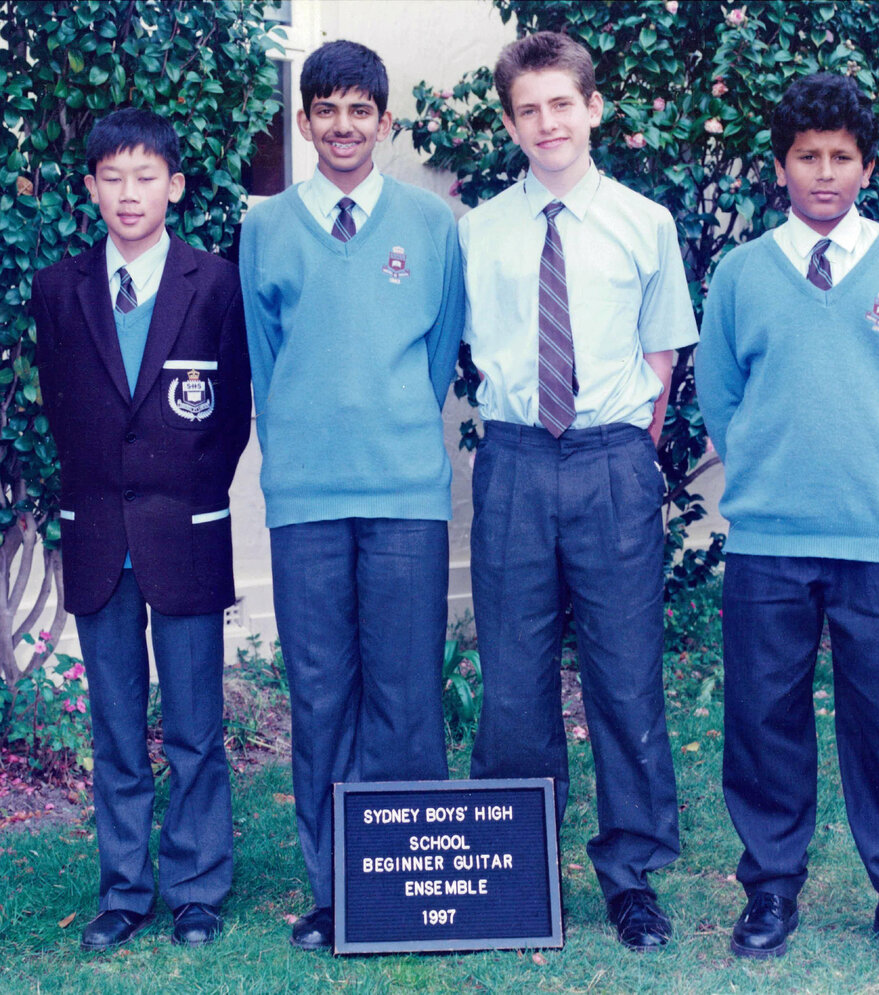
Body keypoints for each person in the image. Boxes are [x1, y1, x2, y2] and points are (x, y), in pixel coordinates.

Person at [695, 72, 879, 967]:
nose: (826, 173)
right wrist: (770, 471)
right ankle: (770, 887)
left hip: (875, 538)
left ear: (868, 167)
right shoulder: (740, 274)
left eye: (843, 157)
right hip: (769, 540)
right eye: (809, 157)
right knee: (764, 719)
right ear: (781, 166)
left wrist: (874, 471)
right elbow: (722, 397)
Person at [459, 31, 698, 951]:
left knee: (626, 671)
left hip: (609, 460)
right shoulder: (478, 232)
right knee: (514, 679)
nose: (547, 122)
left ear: (593, 107)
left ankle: (631, 872)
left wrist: (625, 450)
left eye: (563, 103)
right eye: (528, 109)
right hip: (516, 461)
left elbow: (662, 353)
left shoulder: (646, 223)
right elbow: (469, 349)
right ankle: (516, 866)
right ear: (511, 123)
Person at [239, 40, 464, 951]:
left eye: (359, 110)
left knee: (406, 690)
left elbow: (441, 352)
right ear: (303, 121)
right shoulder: (265, 228)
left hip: (406, 489)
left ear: (384, 122)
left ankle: (405, 881)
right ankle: (335, 888)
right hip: (305, 497)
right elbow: (265, 362)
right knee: (322, 692)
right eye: (324, 109)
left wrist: (395, 422)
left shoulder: (432, 225)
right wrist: (300, 444)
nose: (341, 125)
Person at [32, 108, 251, 950]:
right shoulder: (59, 289)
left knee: (196, 722)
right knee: (116, 723)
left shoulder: (215, 283)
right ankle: (125, 889)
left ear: (176, 186)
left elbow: (229, 411)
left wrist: (181, 489)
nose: (130, 194)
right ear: (90, 189)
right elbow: (63, 408)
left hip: (184, 530)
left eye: (146, 177)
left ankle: (197, 884)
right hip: (98, 536)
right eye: (112, 178)